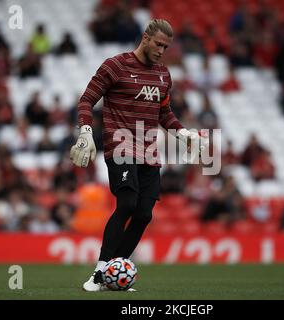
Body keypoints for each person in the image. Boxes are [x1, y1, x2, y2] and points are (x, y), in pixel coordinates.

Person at [69, 19, 207, 292]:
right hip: (120, 146)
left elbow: (164, 113)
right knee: (127, 204)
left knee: (144, 214)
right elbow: (86, 100)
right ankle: (99, 274)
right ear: (145, 37)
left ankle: (112, 275)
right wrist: (85, 132)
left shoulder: (163, 75)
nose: (161, 50)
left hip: (149, 152)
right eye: (158, 44)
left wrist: (184, 134)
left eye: (166, 47)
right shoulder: (115, 66)